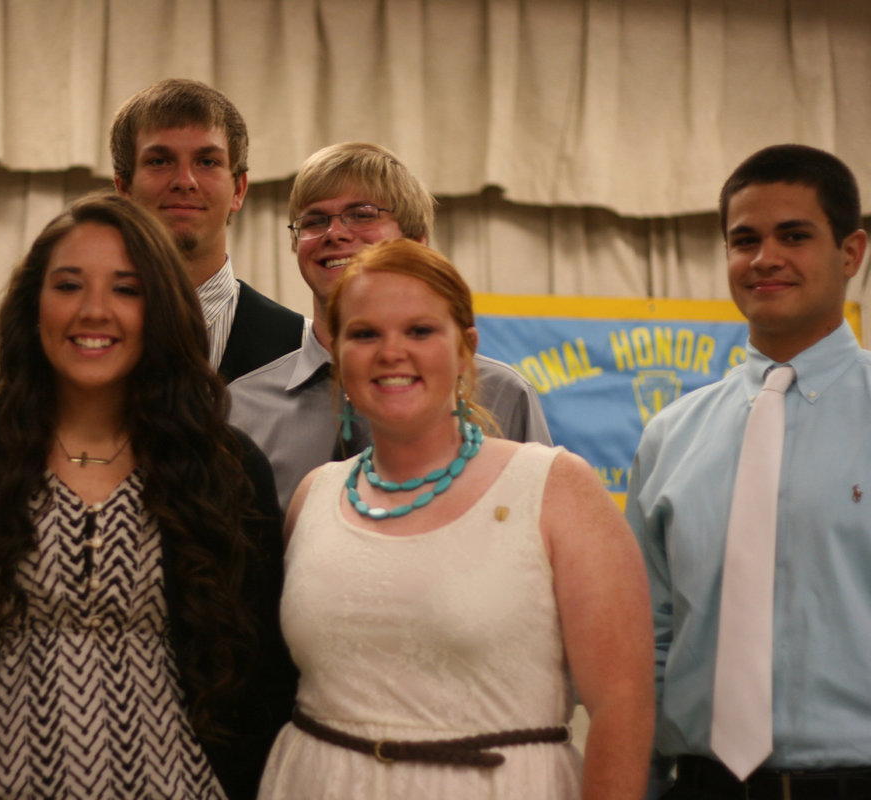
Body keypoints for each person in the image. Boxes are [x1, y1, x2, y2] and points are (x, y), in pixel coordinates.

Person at [0, 193, 294, 799]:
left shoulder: (227, 472)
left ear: (161, 309)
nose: (94, 311)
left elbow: (260, 684)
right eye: (69, 285)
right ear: (34, 306)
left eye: (127, 289)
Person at [258, 239, 653, 799]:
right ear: (338, 354)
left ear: (466, 349)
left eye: (420, 331)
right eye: (365, 334)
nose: (392, 352)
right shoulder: (313, 496)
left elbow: (623, 705)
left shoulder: (557, 489)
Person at [627, 144, 871, 798]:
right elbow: (646, 644)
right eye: (744, 240)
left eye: (794, 235)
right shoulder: (669, 436)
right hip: (701, 784)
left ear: (851, 252)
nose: (765, 259)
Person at [229, 142, 551, 510]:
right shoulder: (243, 408)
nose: (334, 233)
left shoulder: (503, 395)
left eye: (362, 214)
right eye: (315, 220)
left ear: (416, 243)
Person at [110, 78, 304, 382]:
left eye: (207, 162)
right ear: (124, 190)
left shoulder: (302, 346)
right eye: (160, 161)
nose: (185, 180)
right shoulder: (81, 337)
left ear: (238, 189)